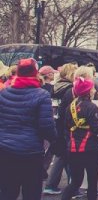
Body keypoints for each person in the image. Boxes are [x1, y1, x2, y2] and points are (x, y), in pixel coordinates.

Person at [0, 58, 57, 200]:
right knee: (31, 193)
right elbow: (46, 126)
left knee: (7, 192)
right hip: (30, 152)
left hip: (5, 150)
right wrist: (55, 141)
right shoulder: (42, 95)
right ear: (35, 73)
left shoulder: (4, 93)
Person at [60, 77, 98, 200]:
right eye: (92, 88)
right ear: (88, 91)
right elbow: (96, 128)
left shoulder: (70, 106)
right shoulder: (92, 107)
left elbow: (66, 127)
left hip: (73, 148)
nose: (94, 90)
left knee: (75, 182)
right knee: (92, 183)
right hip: (90, 149)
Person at [44, 62, 78, 195]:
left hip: (55, 123)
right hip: (65, 126)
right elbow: (70, 110)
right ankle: (70, 186)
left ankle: (57, 184)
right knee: (64, 155)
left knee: (61, 155)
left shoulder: (55, 87)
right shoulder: (70, 89)